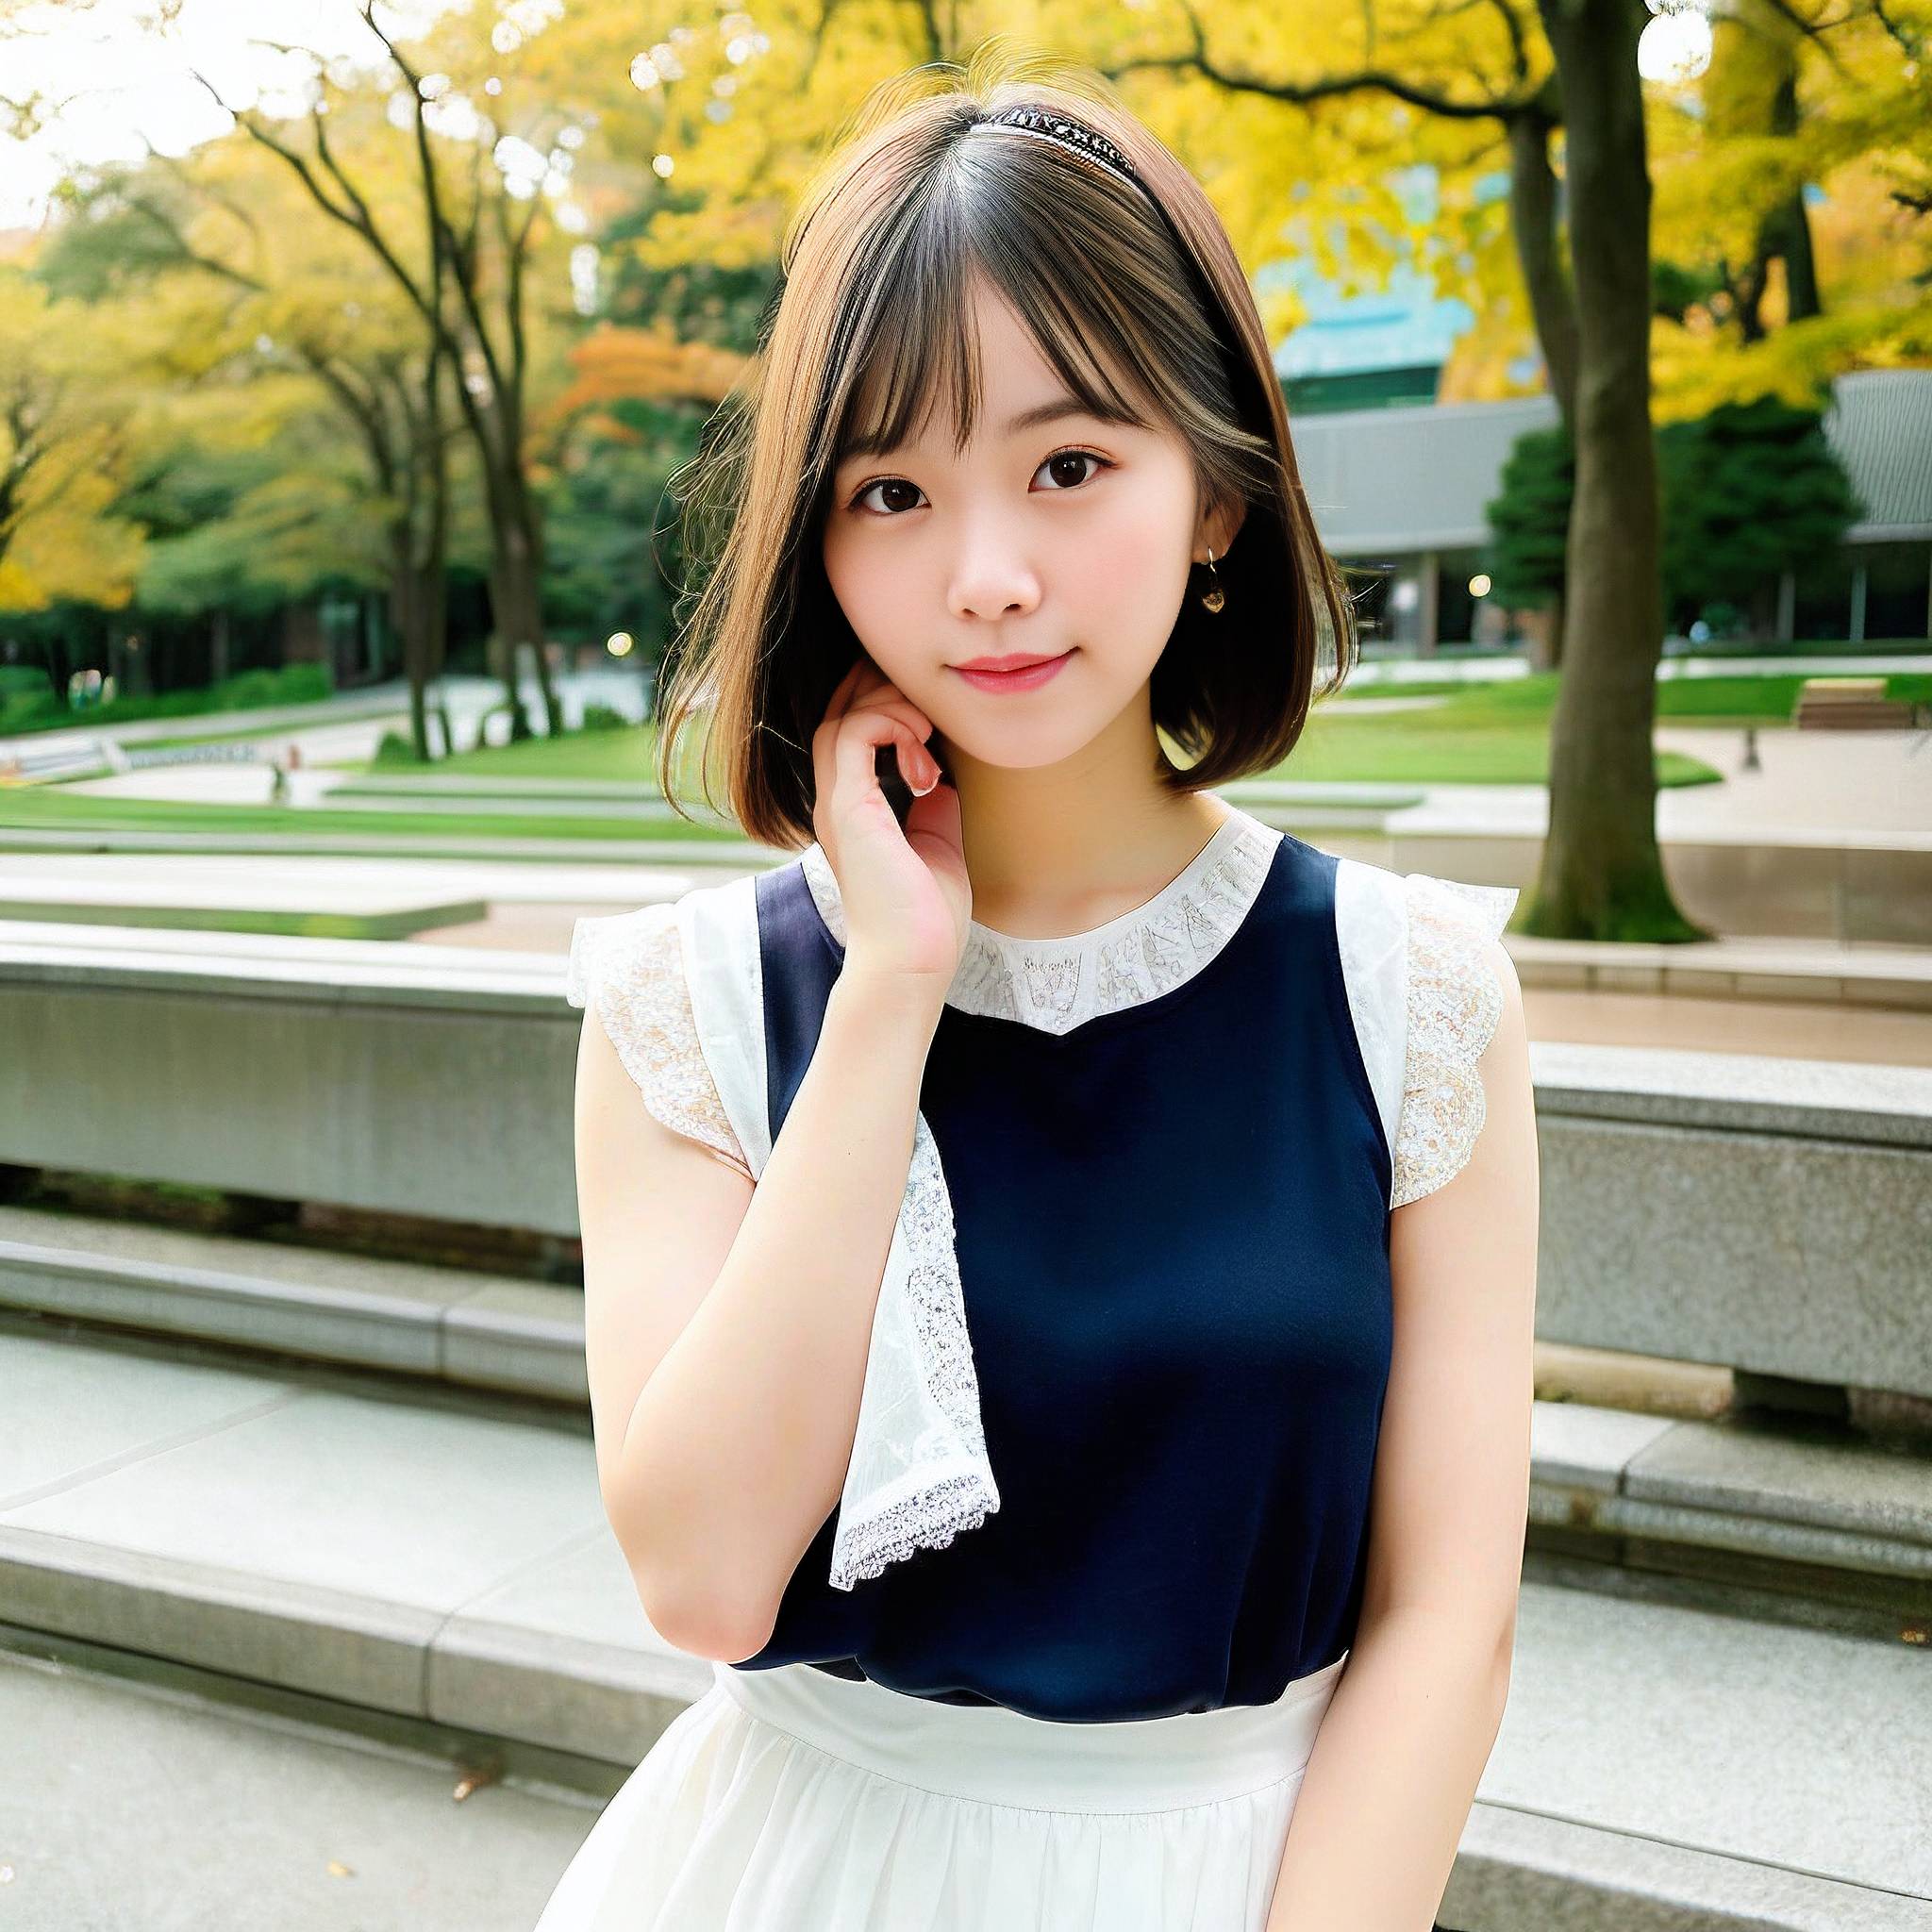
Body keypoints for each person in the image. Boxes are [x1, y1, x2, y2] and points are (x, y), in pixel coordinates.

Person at [540, 45, 1539, 1932]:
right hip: (804, 1872)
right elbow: (703, 1578)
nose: (985, 575)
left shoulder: (1405, 993)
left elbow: (1442, 1616)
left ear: (1219, 494)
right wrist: (890, 990)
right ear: (816, 540)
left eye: (1068, 465)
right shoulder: (690, 1006)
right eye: (891, 491)